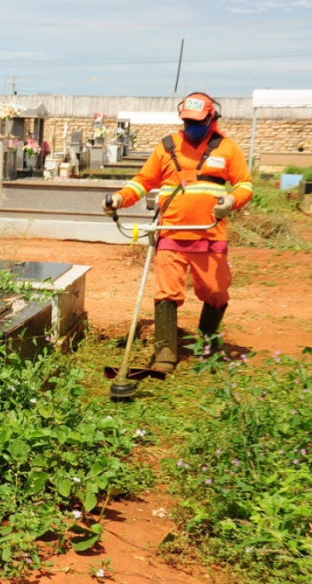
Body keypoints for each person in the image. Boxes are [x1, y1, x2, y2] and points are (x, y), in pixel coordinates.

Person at [104, 92, 253, 373]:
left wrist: (232, 200)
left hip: (210, 235)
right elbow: (143, 181)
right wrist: (120, 198)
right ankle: (165, 353)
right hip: (171, 233)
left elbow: (244, 184)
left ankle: (208, 339)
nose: (191, 126)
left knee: (216, 291)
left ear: (211, 118)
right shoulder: (167, 147)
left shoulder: (227, 149)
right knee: (167, 294)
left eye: (197, 122)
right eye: (187, 122)